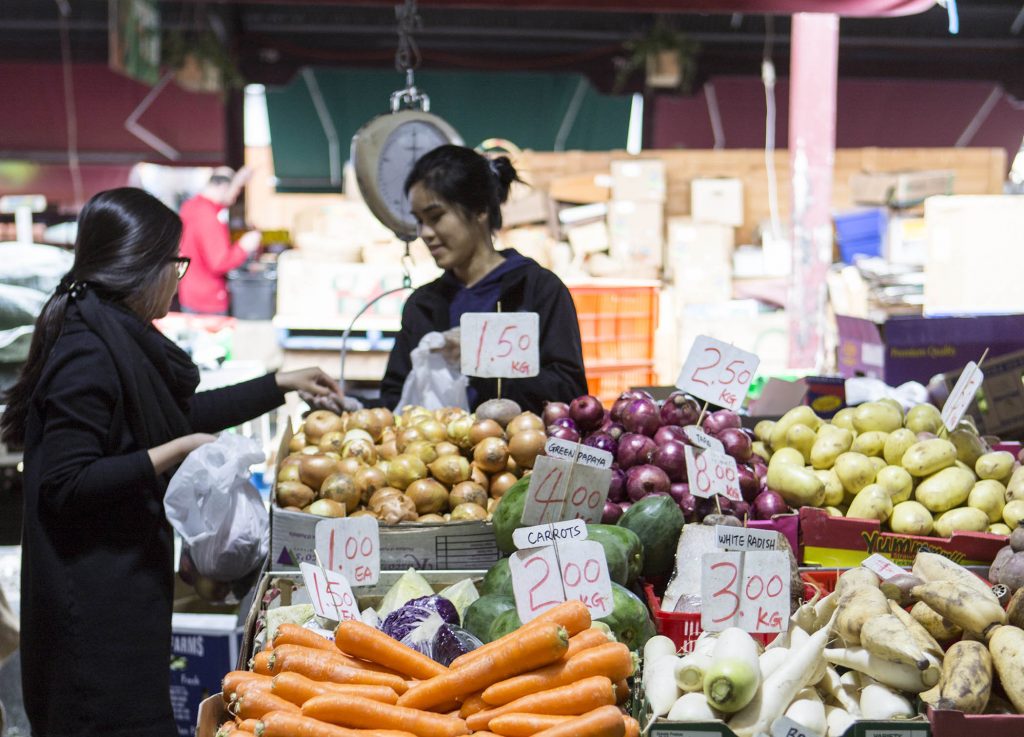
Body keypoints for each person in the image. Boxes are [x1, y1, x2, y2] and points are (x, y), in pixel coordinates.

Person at [1, 187, 341, 737]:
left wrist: (280, 384)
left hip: (121, 587)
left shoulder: (116, 336)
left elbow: (173, 415)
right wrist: (175, 453)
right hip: (89, 607)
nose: (178, 277)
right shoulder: (87, 352)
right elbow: (63, 484)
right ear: (138, 266)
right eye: (175, 264)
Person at [378, 145, 588, 414]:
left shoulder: (536, 290)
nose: (425, 233)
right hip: (433, 454)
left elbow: (571, 394)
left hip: (517, 454)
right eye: (419, 221)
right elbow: (394, 399)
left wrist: (478, 359)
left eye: (436, 217)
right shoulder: (423, 306)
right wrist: (348, 407)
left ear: (479, 209)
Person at [177, 166, 261, 315]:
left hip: (190, 293)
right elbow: (219, 262)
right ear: (223, 187)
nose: (236, 196)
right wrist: (244, 246)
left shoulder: (190, 207)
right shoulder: (209, 215)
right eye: (237, 189)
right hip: (209, 300)